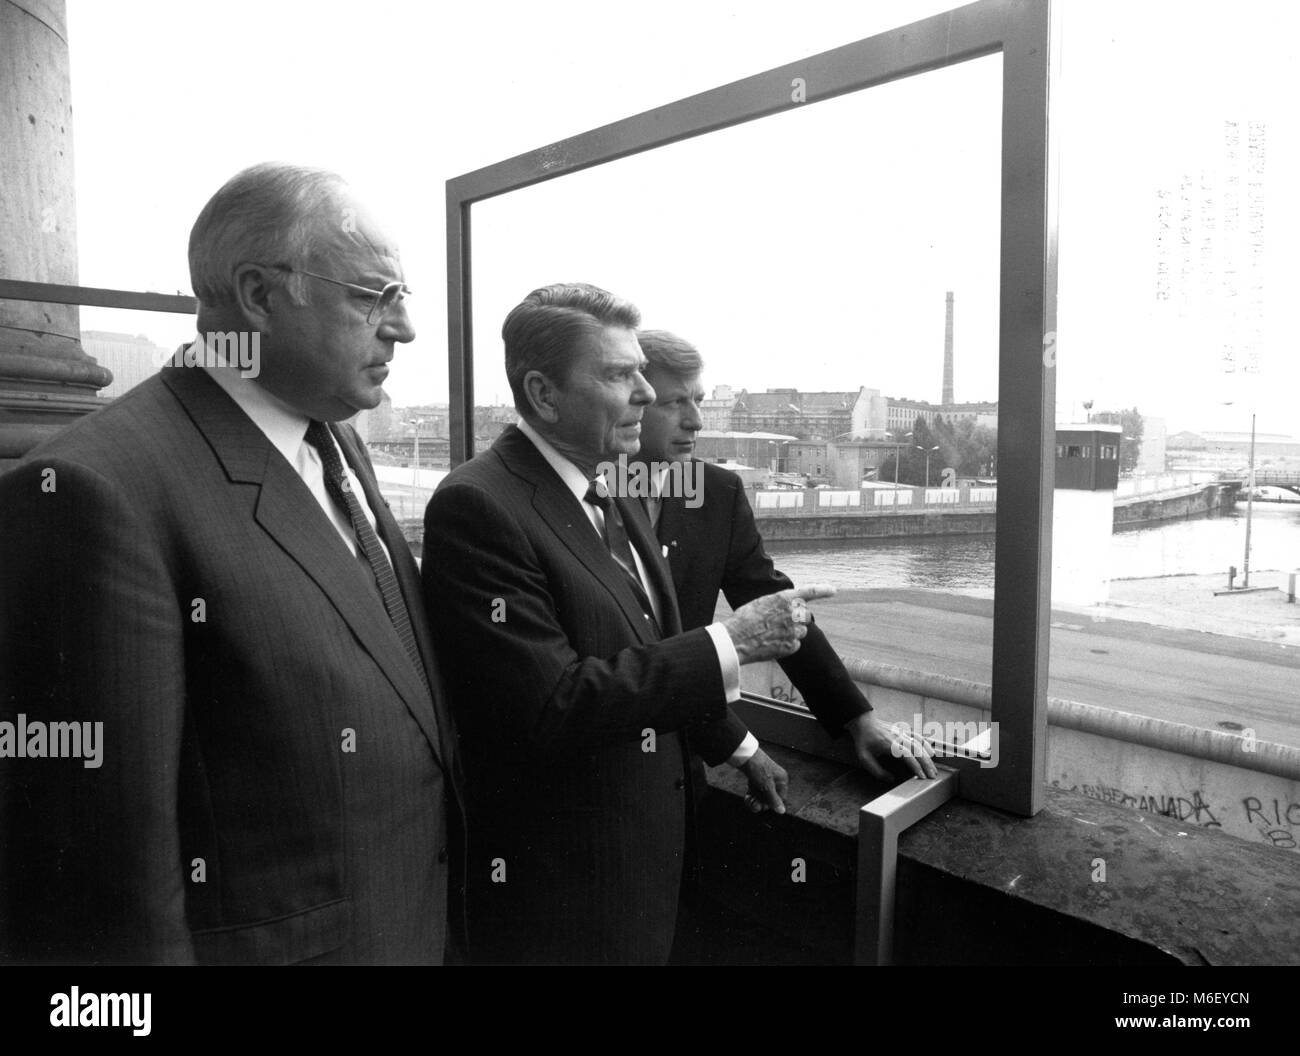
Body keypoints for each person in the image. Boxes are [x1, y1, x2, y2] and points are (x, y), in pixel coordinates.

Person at [0, 162, 462, 965]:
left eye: (401, 298)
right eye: (371, 296)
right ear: (257, 295)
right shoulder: (94, 490)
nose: (405, 330)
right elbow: (101, 882)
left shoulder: (330, 436)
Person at [421, 282, 828, 965]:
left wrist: (740, 746)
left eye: (641, 370)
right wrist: (734, 640)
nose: (644, 392)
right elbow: (554, 702)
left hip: (644, 870)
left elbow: (646, 657)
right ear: (544, 394)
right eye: (617, 374)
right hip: (564, 895)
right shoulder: (477, 505)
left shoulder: (611, 485)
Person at [630, 329, 938, 815]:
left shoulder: (715, 493)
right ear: (632, 402)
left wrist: (859, 719)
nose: (694, 421)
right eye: (674, 404)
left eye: (700, 401)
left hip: (678, 773)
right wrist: (741, 746)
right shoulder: (586, 497)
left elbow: (775, 608)